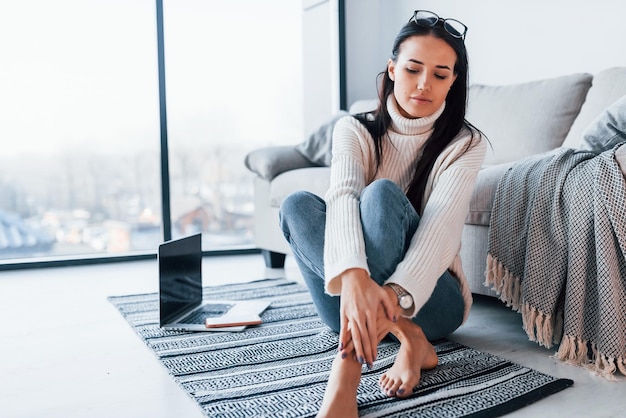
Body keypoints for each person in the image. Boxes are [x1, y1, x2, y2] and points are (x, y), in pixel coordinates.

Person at [279, 10, 487, 418]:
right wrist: (355, 277)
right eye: (412, 69)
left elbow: (440, 230)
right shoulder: (353, 130)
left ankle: (346, 376)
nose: (425, 84)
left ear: (453, 81)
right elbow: (341, 197)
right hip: (349, 301)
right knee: (297, 206)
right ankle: (410, 340)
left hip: (433, 302)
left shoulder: (465, 144)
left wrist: (388, 294)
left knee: (381, 196)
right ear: (392, 69)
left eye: (440, 74)